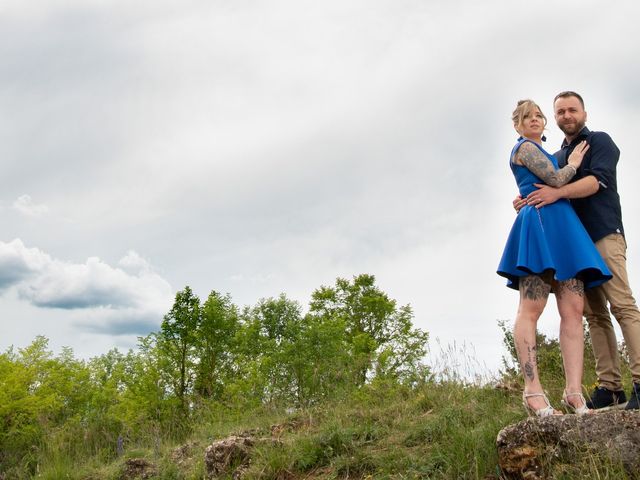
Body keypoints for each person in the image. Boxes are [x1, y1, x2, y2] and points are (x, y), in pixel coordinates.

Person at [519, 91, 640, 411]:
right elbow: (544, 185)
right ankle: (610, 386)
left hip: (603, 233)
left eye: (572, 110)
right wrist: (525, 197)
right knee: (595, 314)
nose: (566, 115)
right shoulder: (557, 156)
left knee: (622, 305)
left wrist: (556, 192)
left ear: (583, 113)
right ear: (555, 118)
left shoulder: (599, 142)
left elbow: (595, 184)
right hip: (575, 245)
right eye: (560, 111)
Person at [498, 99, 612, 417]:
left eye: (538, 116)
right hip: (539, 225)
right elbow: (557, 179)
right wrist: (574, 163)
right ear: (517, 125)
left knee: (574, 310)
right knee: (531, 308)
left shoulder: (548, 152)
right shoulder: (523, 148)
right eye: (525, 117)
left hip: (564, 227)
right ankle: (533, 392)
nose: (533, 120)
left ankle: (574, 393)